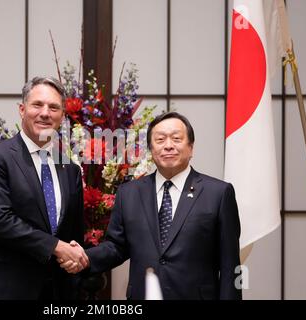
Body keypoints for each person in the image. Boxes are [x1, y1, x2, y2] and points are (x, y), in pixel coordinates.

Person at [62, 111, 242, 300]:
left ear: (191, 148)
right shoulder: (129, 193)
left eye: (176, 138)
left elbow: (231, 265)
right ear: (150, 149)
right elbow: (116, 246)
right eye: (160, 139)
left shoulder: (218, 194)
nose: (168, 146)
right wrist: (85, 258)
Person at [0, 77, 88, 300]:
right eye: (37, 105)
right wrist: (56, 246)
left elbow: (74, 232)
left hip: (55, 291)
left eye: (54, 107)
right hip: (3, 287)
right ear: (22, 109)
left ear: (62, 117)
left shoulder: (70, 169)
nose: (45, 113)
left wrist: (74, 257)